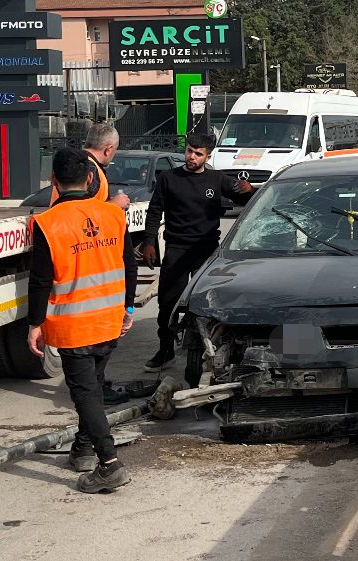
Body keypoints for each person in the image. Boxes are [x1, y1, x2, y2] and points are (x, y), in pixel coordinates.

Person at [27, 148, 138, 493]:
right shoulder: (113, 215)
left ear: (53, 183)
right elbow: (129, 266)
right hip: (109, 320)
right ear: (91, 179)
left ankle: (109, 464)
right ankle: (84, 448)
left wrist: (35, 324)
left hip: (75, 326)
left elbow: (41, 280)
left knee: (86, 394)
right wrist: (128, 308)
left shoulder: (46, 224)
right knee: (93, 389)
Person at [140, 133, 254, 379]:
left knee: (207, 303)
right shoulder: (169, 179)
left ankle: (206, 349)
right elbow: (154, 211)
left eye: (198, 153)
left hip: (206, 251)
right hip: (176, 249)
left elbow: (246, 198)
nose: (192, 156)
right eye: (190, 151)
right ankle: (165, 350)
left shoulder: (217, 179)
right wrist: (149, 242)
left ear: (208, 156)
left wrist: (248, 190)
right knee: (168, 303)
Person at [47, 123, 132, 405]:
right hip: (85, 257)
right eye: (114, 152)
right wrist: (115, 206)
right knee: (94, 340)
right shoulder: (91, 170)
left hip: (73, 249)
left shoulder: (79, 165)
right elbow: (87, 214)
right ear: (108, 148)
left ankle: (95, 388)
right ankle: (95, 393)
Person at [50, 123, 130, 211]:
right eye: (114, 150)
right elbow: (79, 211)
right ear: (108, 150)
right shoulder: (88, 167)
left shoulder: (72, 162)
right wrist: (114, 204)